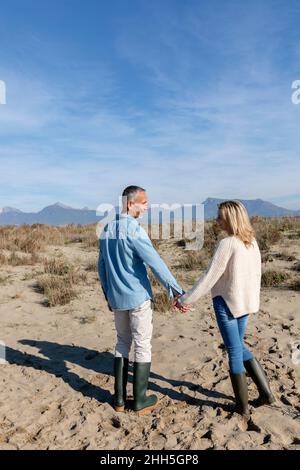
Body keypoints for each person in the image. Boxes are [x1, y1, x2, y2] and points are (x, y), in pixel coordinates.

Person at [177, 200, 275, 417]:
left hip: (228, 303)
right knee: (238, 346)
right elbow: (255, 276)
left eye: (220, 216)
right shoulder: (252, 242)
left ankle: (242, 407)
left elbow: (209, 277)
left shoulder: (227, 243)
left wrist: (185, 300)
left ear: (231, 219)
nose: (216, 220)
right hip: (246, 304)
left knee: (233, 350)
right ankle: (266, 393)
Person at [98, 185, 189, 415]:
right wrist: (177, 291)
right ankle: (139, 400)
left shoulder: (107, 228)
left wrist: (108, 293)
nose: (147, 207)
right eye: (144, 202)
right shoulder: (134, 230)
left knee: (121, 343)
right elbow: (155, 262)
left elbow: (102, 267)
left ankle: (118, 399)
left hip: (117, 297)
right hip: (137, 297)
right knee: (142, 345)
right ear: (130, 204)